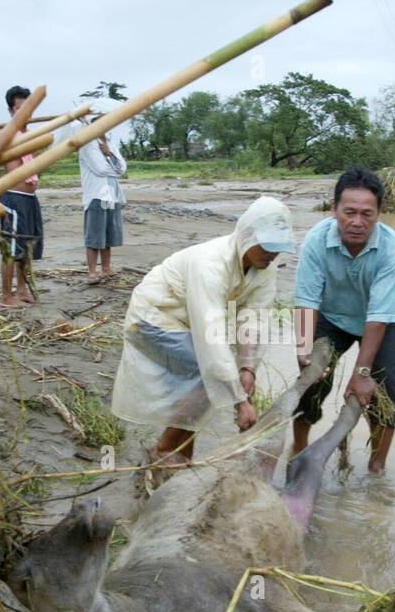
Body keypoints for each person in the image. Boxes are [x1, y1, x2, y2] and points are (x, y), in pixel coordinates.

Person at [111, 196, 295, 466]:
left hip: (186, 324)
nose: (271, 254)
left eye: (278, 248)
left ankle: (182, 453)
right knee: (205, 375)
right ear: (246, 236)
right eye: (267, 245)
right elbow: (213, 340)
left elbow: (253, 319)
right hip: (153, 318)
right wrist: (240, 402)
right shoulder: (211, 265)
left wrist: (247, 368)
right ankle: (163, 450)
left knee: (206, 382)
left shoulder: (265, 269)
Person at [292, 166, 395, 475]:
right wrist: (304, 350)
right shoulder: (316, 241)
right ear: (334, 209)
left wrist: (363, 372)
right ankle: (298, 451)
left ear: (379, 213)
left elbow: (379, 316)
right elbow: (306, 301)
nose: (357, 222)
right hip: (330, 316)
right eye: (349, 212)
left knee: (384, 393)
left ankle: (377, 467)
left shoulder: (392, 249)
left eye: (367, 214)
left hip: (379, 321)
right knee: (310, 385)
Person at [0, 85, 43, 308]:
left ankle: (22, 289)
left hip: (29, 198)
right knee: (11, 249)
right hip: (13, 198)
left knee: (26, 248)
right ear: (11, 110)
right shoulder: (6, 134)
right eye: (20, 108)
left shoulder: (30, 136)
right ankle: (6, 296)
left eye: (29, 108)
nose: (26, 113)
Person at [77, 123, 127, 282]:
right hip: (96, 195)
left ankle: (106, 268)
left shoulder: (110, 142)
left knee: (108, 233)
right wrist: (112, 162)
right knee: (94, 235)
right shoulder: (87, 143)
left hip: (112, 195)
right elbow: (101, 169)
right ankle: (92, 271)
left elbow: (123, 168)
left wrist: (109, 154)